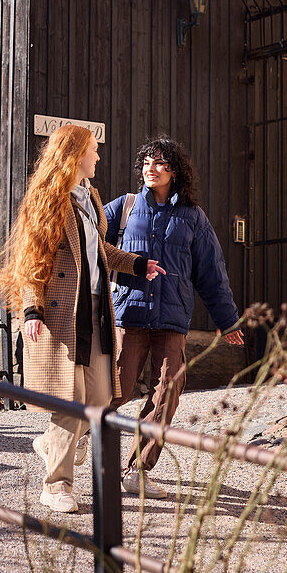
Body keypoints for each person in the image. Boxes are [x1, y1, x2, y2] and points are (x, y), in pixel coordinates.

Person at [0, 125, 162, 513]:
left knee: (101, 399)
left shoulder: (89, 197)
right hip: (62, 312)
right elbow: (32, 258)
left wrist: (136, 264)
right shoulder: (49, 199)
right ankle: (56, 487)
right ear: (74, 155)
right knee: (71, 403)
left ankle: (52, 443)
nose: (98, 157)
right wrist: (32, 310)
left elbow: (98, 250)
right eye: (93, 150)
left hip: (98, 310)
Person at [105, 135, 244, 498]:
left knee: (167, 392)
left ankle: (138, 469)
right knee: (114, 388)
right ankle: (73, 435)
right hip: (129, 312)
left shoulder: (193, 218)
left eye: (160, 162)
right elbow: (87, 241)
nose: (151, 168)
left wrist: (226, 320)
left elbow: (211, 271)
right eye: (147, 162)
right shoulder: (124, 207)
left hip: (171, 319)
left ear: (175, 171)